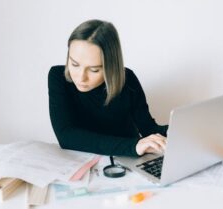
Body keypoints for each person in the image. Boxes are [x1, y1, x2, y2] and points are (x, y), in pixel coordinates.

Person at [48, 19, 168, 157]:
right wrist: (134, 146)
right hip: (86, 162)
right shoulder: (58, 77)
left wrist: (177, 130)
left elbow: (149, 129)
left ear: (110, 65)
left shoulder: (127, 79)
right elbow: (66, 136)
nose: (81, 77)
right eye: (74, 64)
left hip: (126, 160)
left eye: (94, 70)